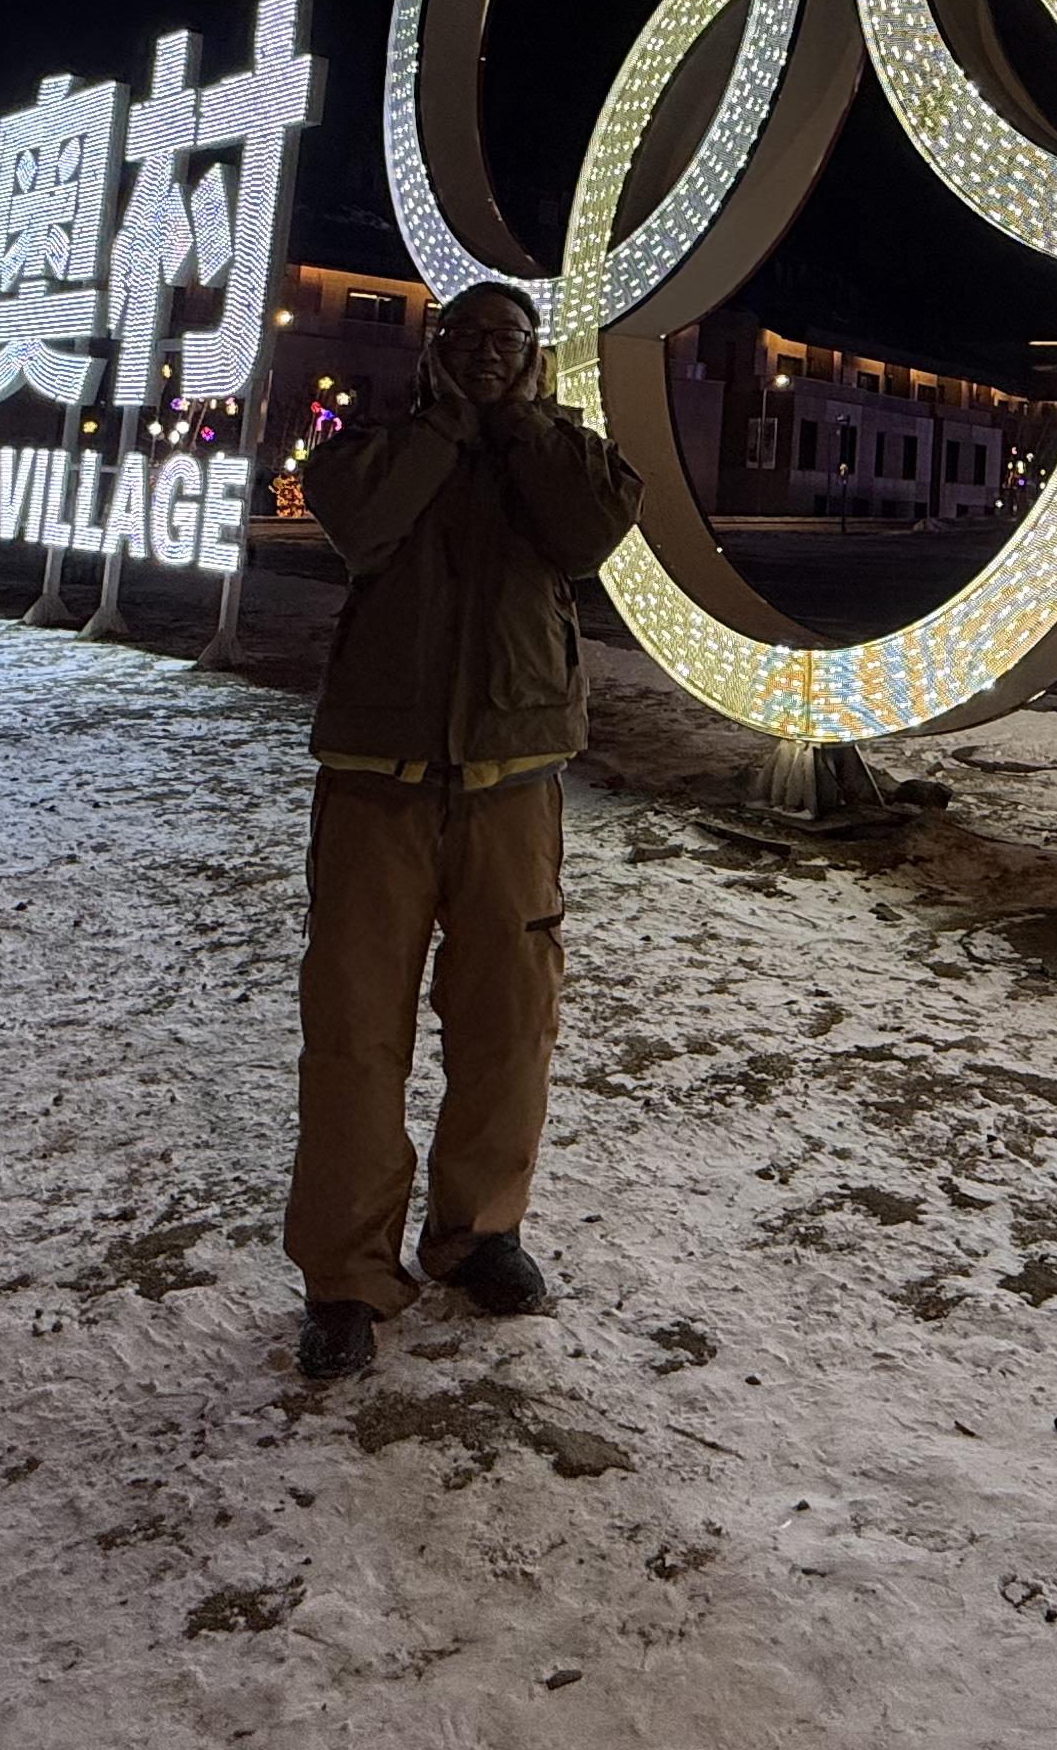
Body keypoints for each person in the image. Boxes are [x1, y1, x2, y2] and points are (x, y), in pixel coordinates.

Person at [284, 279, 641, 1380]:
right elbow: (358, 521)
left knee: (508, 1024)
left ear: (536, 356)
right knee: (354, 1036)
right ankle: (347, 1276)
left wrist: (522, 423)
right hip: (374, 784)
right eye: (467, 337)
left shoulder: (563, 451)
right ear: (436, 349)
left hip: (513, 783)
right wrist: (444, 425)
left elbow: (591, 535)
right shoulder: (383, 442)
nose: (488, 354)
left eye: (509, 339)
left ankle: (480, 1234)